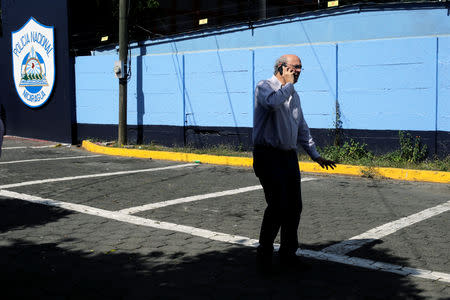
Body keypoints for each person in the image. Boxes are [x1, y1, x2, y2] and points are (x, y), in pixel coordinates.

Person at [252, 54, 336, 272]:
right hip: (268, 156)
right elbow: (271, 104)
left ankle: (288, 255)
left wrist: (316, 155)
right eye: (294, 67)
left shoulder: (294, 95)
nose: (298, 71)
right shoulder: (264, 86)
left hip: (288, 158)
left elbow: (302, 128)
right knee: (278, 206)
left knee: (294, 207)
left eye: (300, 68)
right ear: (281, 67)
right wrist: (288, 86)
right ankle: (264, 254)